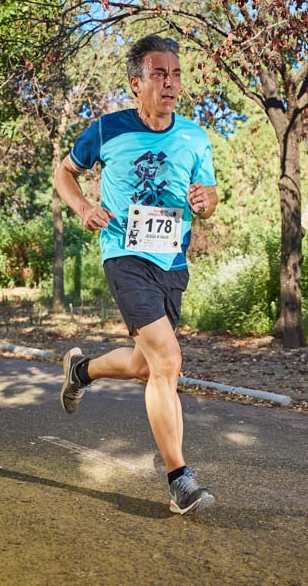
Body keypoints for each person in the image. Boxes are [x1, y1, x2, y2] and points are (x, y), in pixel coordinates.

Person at [53, 34, 219, 515]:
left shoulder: (195, 136)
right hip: (123, 255)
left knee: (148, 366)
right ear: (136, 83)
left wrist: (207, 202)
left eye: (175, 74)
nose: (170, 84)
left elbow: (207, 194)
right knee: (168, 360)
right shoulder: (106, 130)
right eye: (158, 74)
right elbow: (65, 172)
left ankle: (81, 370)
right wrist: (83, 204)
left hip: (173, 262)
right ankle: (179, 480)